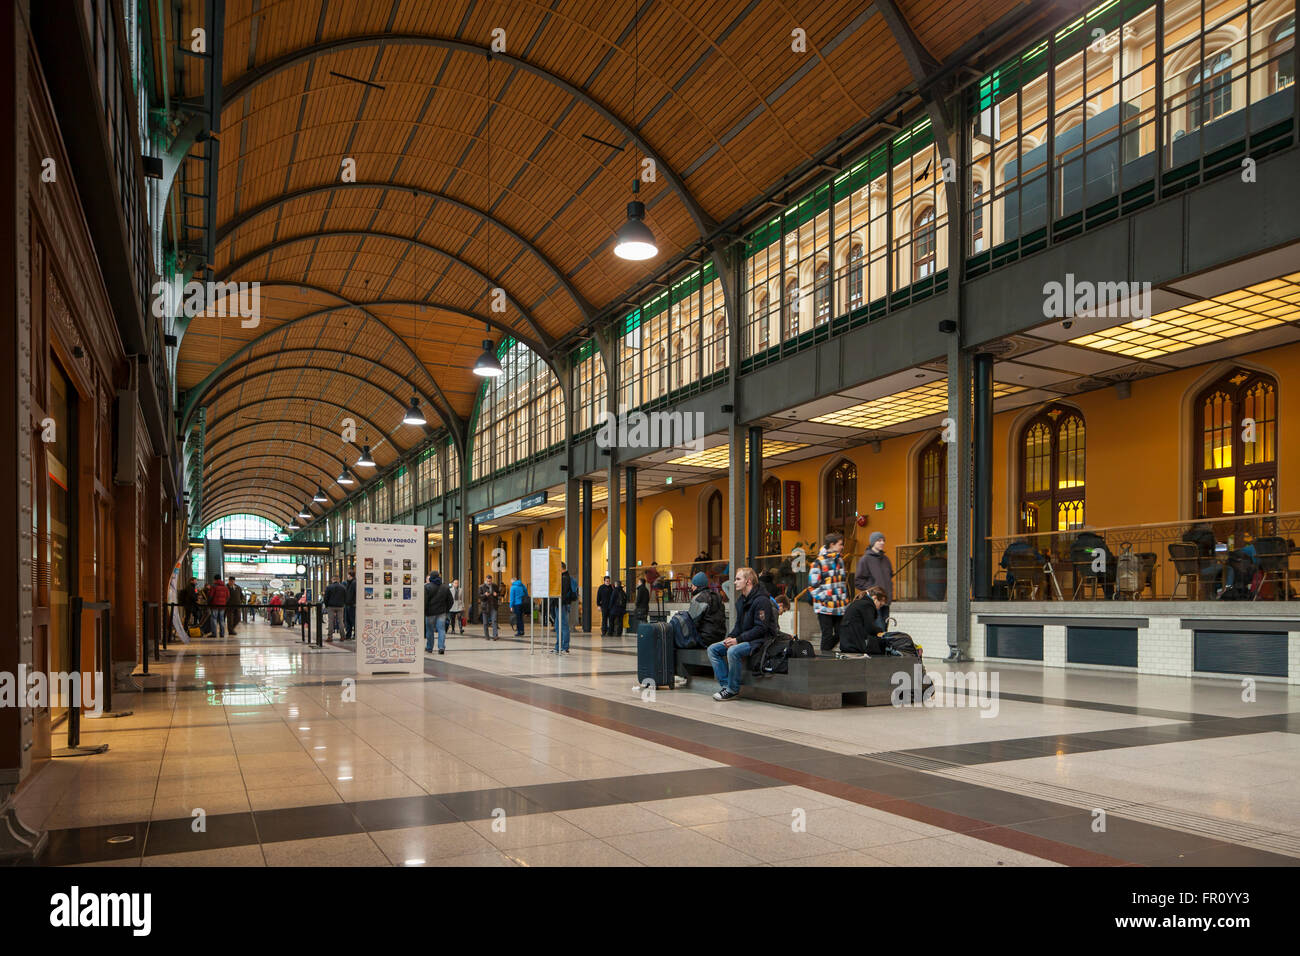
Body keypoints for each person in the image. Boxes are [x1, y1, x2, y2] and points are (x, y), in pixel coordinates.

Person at [707, 567, 778, 701]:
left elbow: (761, 629)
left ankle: (732, 690)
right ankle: (725, 686)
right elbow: (739, 625)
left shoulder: (762, 600)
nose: (734, 582)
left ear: (748, 582)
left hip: (761, 640)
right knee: (713, 649)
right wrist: (731, 636)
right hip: (745, 638)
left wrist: (737, 640)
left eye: (738, 579)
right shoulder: (741, 601)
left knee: (733, 651)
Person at [809, 531, 849, 652]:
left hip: (839, 606)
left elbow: (842, 583)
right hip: (824, 607)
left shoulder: (840, 561)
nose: (842, 547)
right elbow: (812, 586)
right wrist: (826, 598)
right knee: (827, 635)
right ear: (832, 544)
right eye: (840, 544)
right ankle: (824, 659)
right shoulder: (818, 562)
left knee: (841, 632)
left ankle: (825, 654)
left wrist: (844, 600)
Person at [854, 532, 894, 628]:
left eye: (883, 540)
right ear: (873, 542)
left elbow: (889, 577)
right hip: (874, 602)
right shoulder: (865, 560)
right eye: (879, 540)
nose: (882, 542)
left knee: (884, 631)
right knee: (878, 630)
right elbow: (858, 581)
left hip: (886, 601)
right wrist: (873, 591)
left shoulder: (886, 560)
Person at [840, 586, 888, 655]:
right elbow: (870, 628)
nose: (879, 608)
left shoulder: (859, 602)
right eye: (880, 604)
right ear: (874, 598)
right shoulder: (867, 605)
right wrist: (881, 632)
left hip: (847, 643)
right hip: (856, 645)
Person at [687, 571, 726, 646]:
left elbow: (692, 622)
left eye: (692, 585)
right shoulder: (717, 596)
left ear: (695, 586)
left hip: (704, 639)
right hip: (720, 637)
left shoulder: (698, 598)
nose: (691, 588)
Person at [425, 570, 452, 653]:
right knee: (441, 630)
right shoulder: (445, 587)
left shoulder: (427, 587)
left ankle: (429, 648)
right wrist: (446, 609)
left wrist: (425, 610)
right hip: (441, 613)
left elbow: (425, 601)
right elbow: (451, 601)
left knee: (429, 630)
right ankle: (441, 648)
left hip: (430, 613)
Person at [554, 562, 577, 653]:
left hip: (563, 604)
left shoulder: (565, 578)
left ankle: (565, 647)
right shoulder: (563, 578)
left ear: (561, 568)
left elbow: (563, 593)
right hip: (559, 604)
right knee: (557, 626)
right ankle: (558, 646)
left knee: (563, 626)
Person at [479, 574, 500, 640]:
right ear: (486, 580)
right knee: (485, 623)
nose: (489, 582)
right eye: (488, 581)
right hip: (485, 607)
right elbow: (480, 597)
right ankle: (487, 636)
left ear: (491, 580)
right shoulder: (481, 587)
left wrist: (496, 595)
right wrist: (485, 595)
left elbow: (499, 594)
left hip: (493, 606)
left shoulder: (495, 586)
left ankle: (495, 636)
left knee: (494, 621)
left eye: (490, 581)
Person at [208, 573, 229, 638]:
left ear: (215, 579)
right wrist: (224, 602)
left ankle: (214, 634)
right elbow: (228, 596)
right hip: (222, 606)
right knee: (222, 620)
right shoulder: (225, 587)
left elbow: (210, 596)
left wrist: (208, 602)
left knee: (214, 619)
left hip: (215, 605)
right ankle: (222, 634)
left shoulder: (214, 587)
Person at [344, 570, 357, 640]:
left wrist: (354, 602)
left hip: (352, 604)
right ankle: (348, 634)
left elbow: (355, 594)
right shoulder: (348, 583)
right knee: (348, 620)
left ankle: (354, 634)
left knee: (353, 620)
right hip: (347, 604)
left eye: (348, 575)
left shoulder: (354, 583)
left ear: (350, 575)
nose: (347, 576)